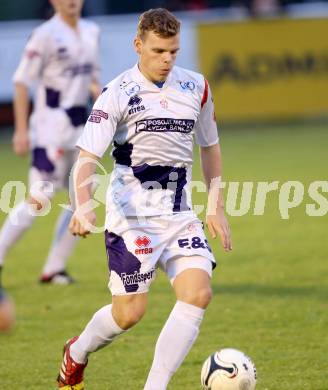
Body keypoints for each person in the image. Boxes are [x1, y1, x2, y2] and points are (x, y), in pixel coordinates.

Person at [57, 8, 232, 389]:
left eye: (173, 51)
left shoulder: (196, 87)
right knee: (130, 313)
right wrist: (83, 206)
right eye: (158, 51)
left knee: (198, 293)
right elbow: (86, 158)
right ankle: (77, 352)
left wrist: (215, 205)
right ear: (138, 46)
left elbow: (210, 147)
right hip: (131, 218)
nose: (167, 59)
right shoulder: (117, 92)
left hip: (179, 213)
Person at [0, 0, 101, 285]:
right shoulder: (44, 34)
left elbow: (92, 78)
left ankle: (54, 268)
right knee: (40, 198)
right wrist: (21, 131)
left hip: (81, 130)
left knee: (82, 197)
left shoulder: (92, 31)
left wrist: (101, 95)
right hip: (49, 133)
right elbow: (21, 82)